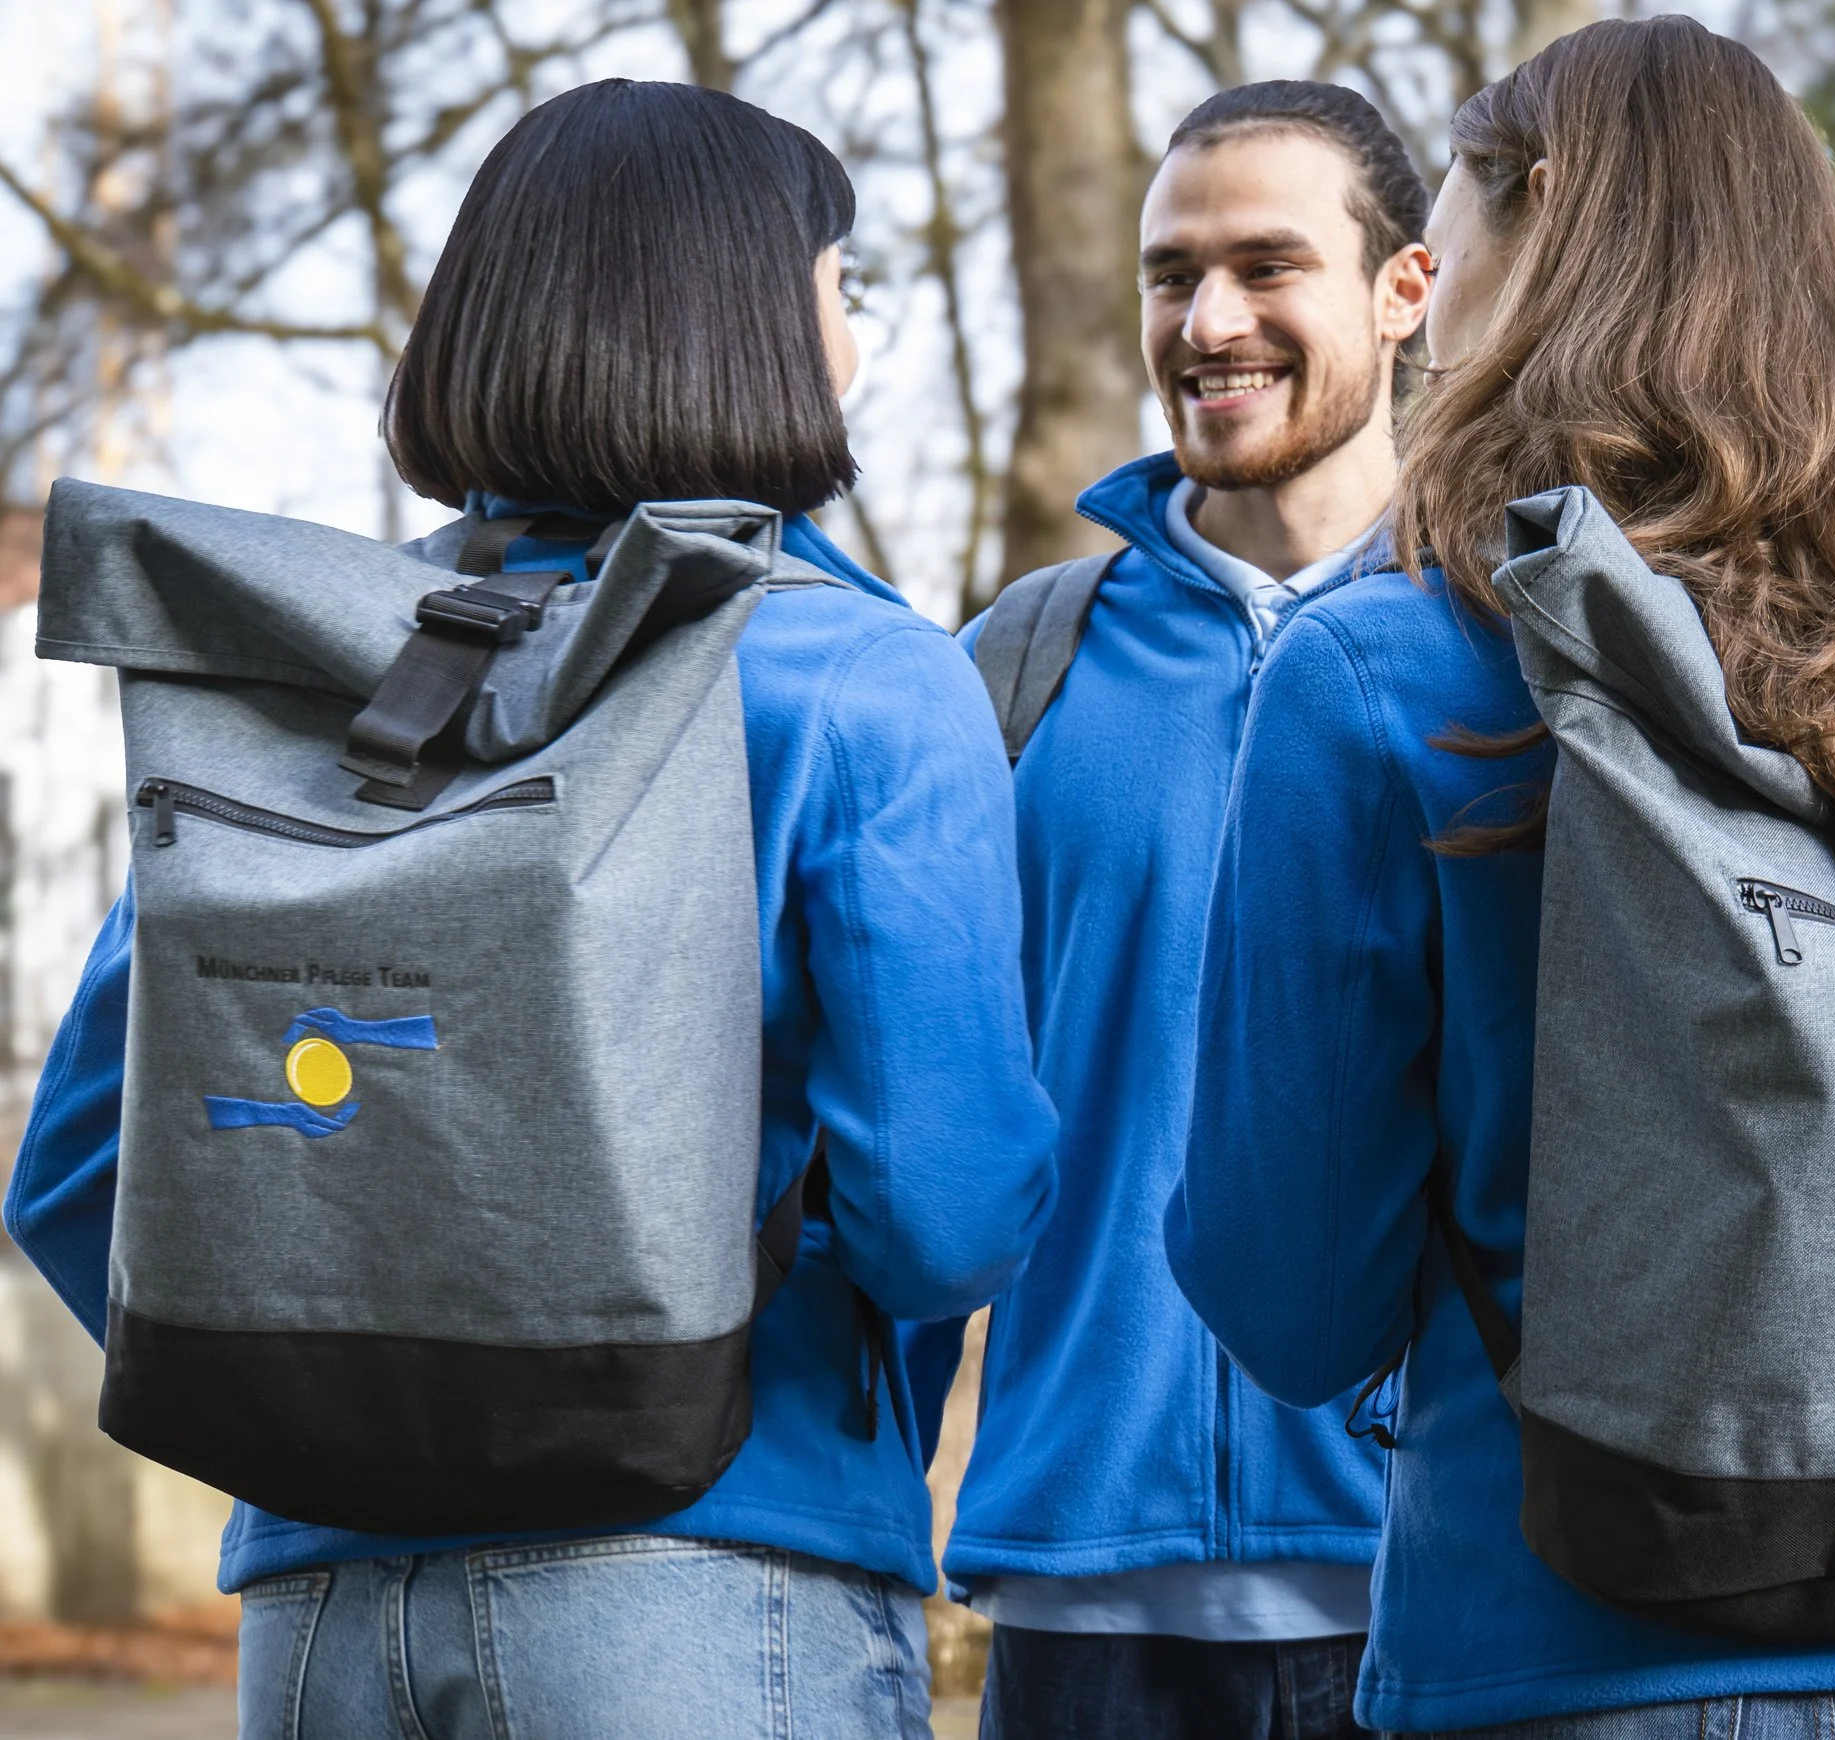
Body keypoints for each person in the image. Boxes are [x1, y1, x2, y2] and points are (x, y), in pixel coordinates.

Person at [1167, 19, 1835, 1737]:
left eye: (1452, 243)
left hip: (1580, 1654)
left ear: (1536, 225)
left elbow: (1290, 1301)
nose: (1431, 293)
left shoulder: (1387, 672)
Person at [5, 79, 1055, 1740]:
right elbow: (946, 1217)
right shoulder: (858, 677)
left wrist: (339, 1399)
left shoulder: (312, 680)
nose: (852, 334)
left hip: (320, 1610)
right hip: (707, 1573)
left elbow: (77, 1170)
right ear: (754, 324)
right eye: (841, 285)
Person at [938, 81, 1430, 1740]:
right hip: (1083, 1601)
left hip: (1445, 1592)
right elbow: (924, 1127)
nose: (1209, 324)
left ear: (1404, 289)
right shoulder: (1019, 663)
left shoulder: (1518, 646)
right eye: (1172, 275)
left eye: (1267, 267)